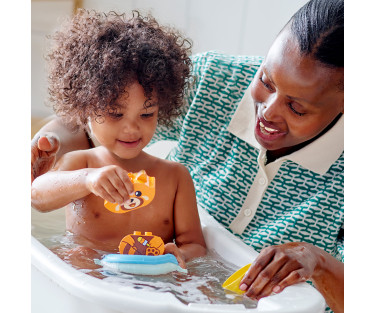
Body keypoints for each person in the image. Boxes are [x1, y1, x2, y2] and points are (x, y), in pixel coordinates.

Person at [31, 0, 344, 312]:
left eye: (297, 107)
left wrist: (319, 262)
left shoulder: (175, 177)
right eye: (266, 80)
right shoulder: (215, 82)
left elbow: (195, 247)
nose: (269, 111)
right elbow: (83, 126)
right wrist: (50, 144)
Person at [31, 9, 206, 269]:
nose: (132, 128)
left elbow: (196, 246)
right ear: (85, 108)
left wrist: (178, 255)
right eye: (115, 114)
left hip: (150, 283)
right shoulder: (81, 164)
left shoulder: (176, 177)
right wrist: (87, 180)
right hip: (90, 277)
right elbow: (37, 197)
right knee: (70, 256)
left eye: (147, 114)